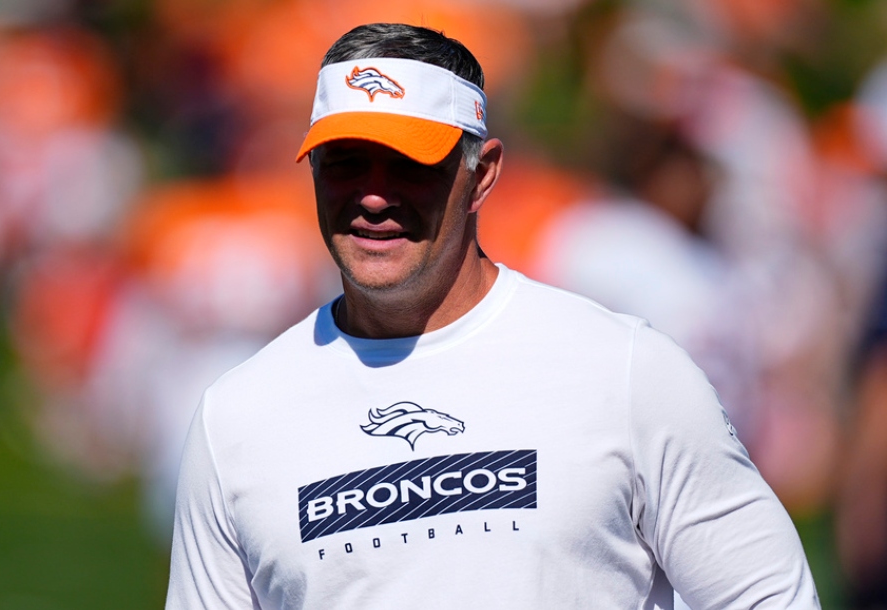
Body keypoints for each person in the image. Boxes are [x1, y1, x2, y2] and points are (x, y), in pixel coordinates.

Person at [164, 23, 819, 609]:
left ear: (482, 175)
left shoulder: (624, 370)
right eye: (345, 163)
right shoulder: (237, 418)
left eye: (408, 164)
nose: (372, 196)